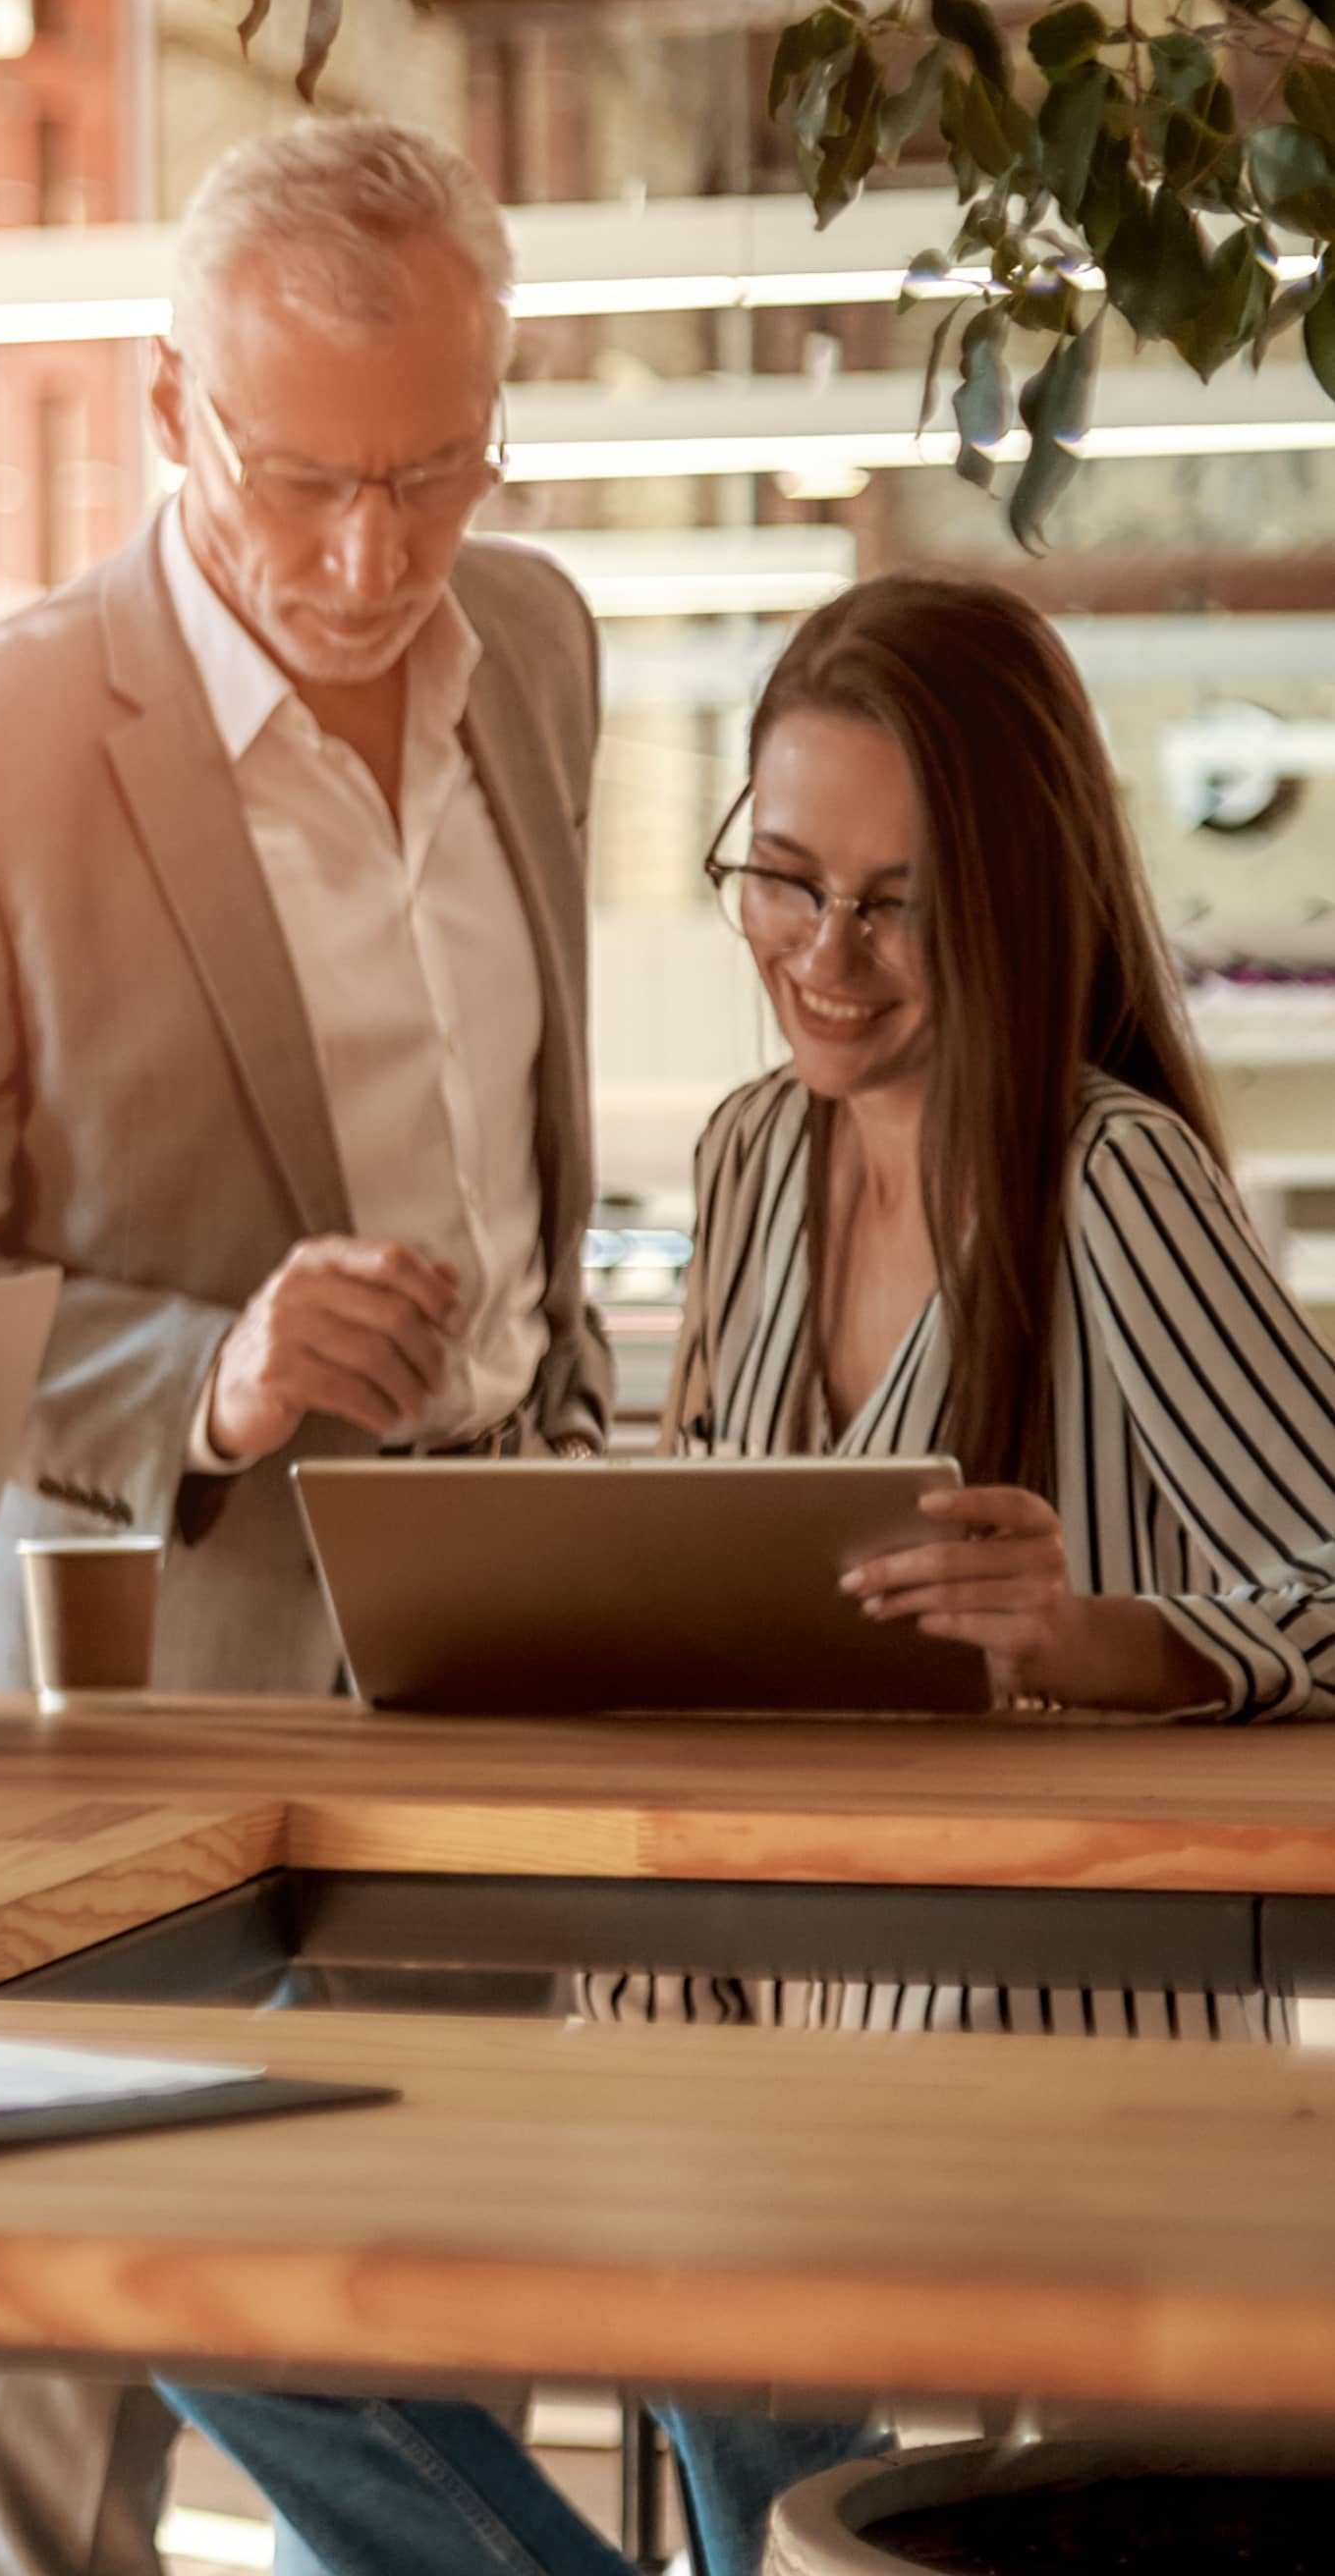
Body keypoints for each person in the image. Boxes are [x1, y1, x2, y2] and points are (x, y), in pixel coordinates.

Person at [162, 572, 1335, 2576]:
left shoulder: (1102, 1178)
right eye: (780, 880)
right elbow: (729, 1580)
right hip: (729, 2007)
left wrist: (1095, 1639)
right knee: (209, 2255)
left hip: (1007, 2056)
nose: (826, 957)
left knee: (721, 2383)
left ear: (1012, 895)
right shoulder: (743, 1159)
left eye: (896, 903)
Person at [0, 117, 605, 2576]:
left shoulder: (531, 647)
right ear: (164, 411)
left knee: (432, 2320)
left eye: (432, 477)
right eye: (302, 482)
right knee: (73, 2373)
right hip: (144, 1669)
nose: (369, 559)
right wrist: (203, 1378)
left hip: (505, 1636)